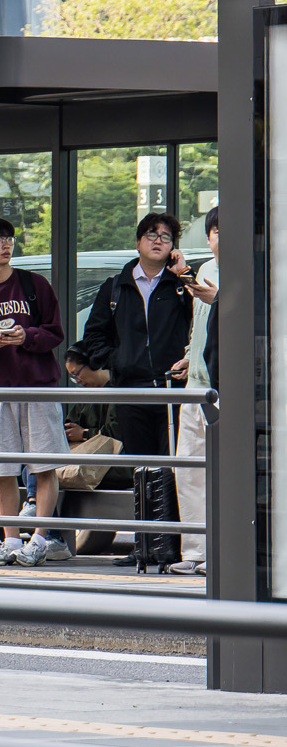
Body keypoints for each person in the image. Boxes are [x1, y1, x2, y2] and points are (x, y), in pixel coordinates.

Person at [70, 212, 194, 567]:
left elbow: (202, 319)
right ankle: (143, 545)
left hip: (171, 391)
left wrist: (183, 274)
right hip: (131, 390)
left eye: (167, 237)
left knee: (172, 468)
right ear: (139, 241)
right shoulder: (116, 286)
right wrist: (118, 361)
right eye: (152, 234)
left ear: (173, 248)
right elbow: (94, 335)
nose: (158, 240)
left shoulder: (180, 285)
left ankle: (174, 546)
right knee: (142, 469)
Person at [0, 217, 73, 568]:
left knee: (44, 466)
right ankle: (10, 539)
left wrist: (29, 337)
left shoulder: (35, 285)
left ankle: (39, 539)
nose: (5, 245)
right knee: (2, 469)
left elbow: (56, 332)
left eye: (9, 239)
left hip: (38, 387)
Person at [171, 207, 219, 574]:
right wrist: (189, 356)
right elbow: (198, 328)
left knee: (225, 471)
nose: (221, 238)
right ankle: (195, 553)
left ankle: (222, 551)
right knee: (188, 469)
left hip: (225, 387)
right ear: (208, 238)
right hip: (196, 385)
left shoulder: (256, 273)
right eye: (215, 231)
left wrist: (217, 300)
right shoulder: (204, 270)